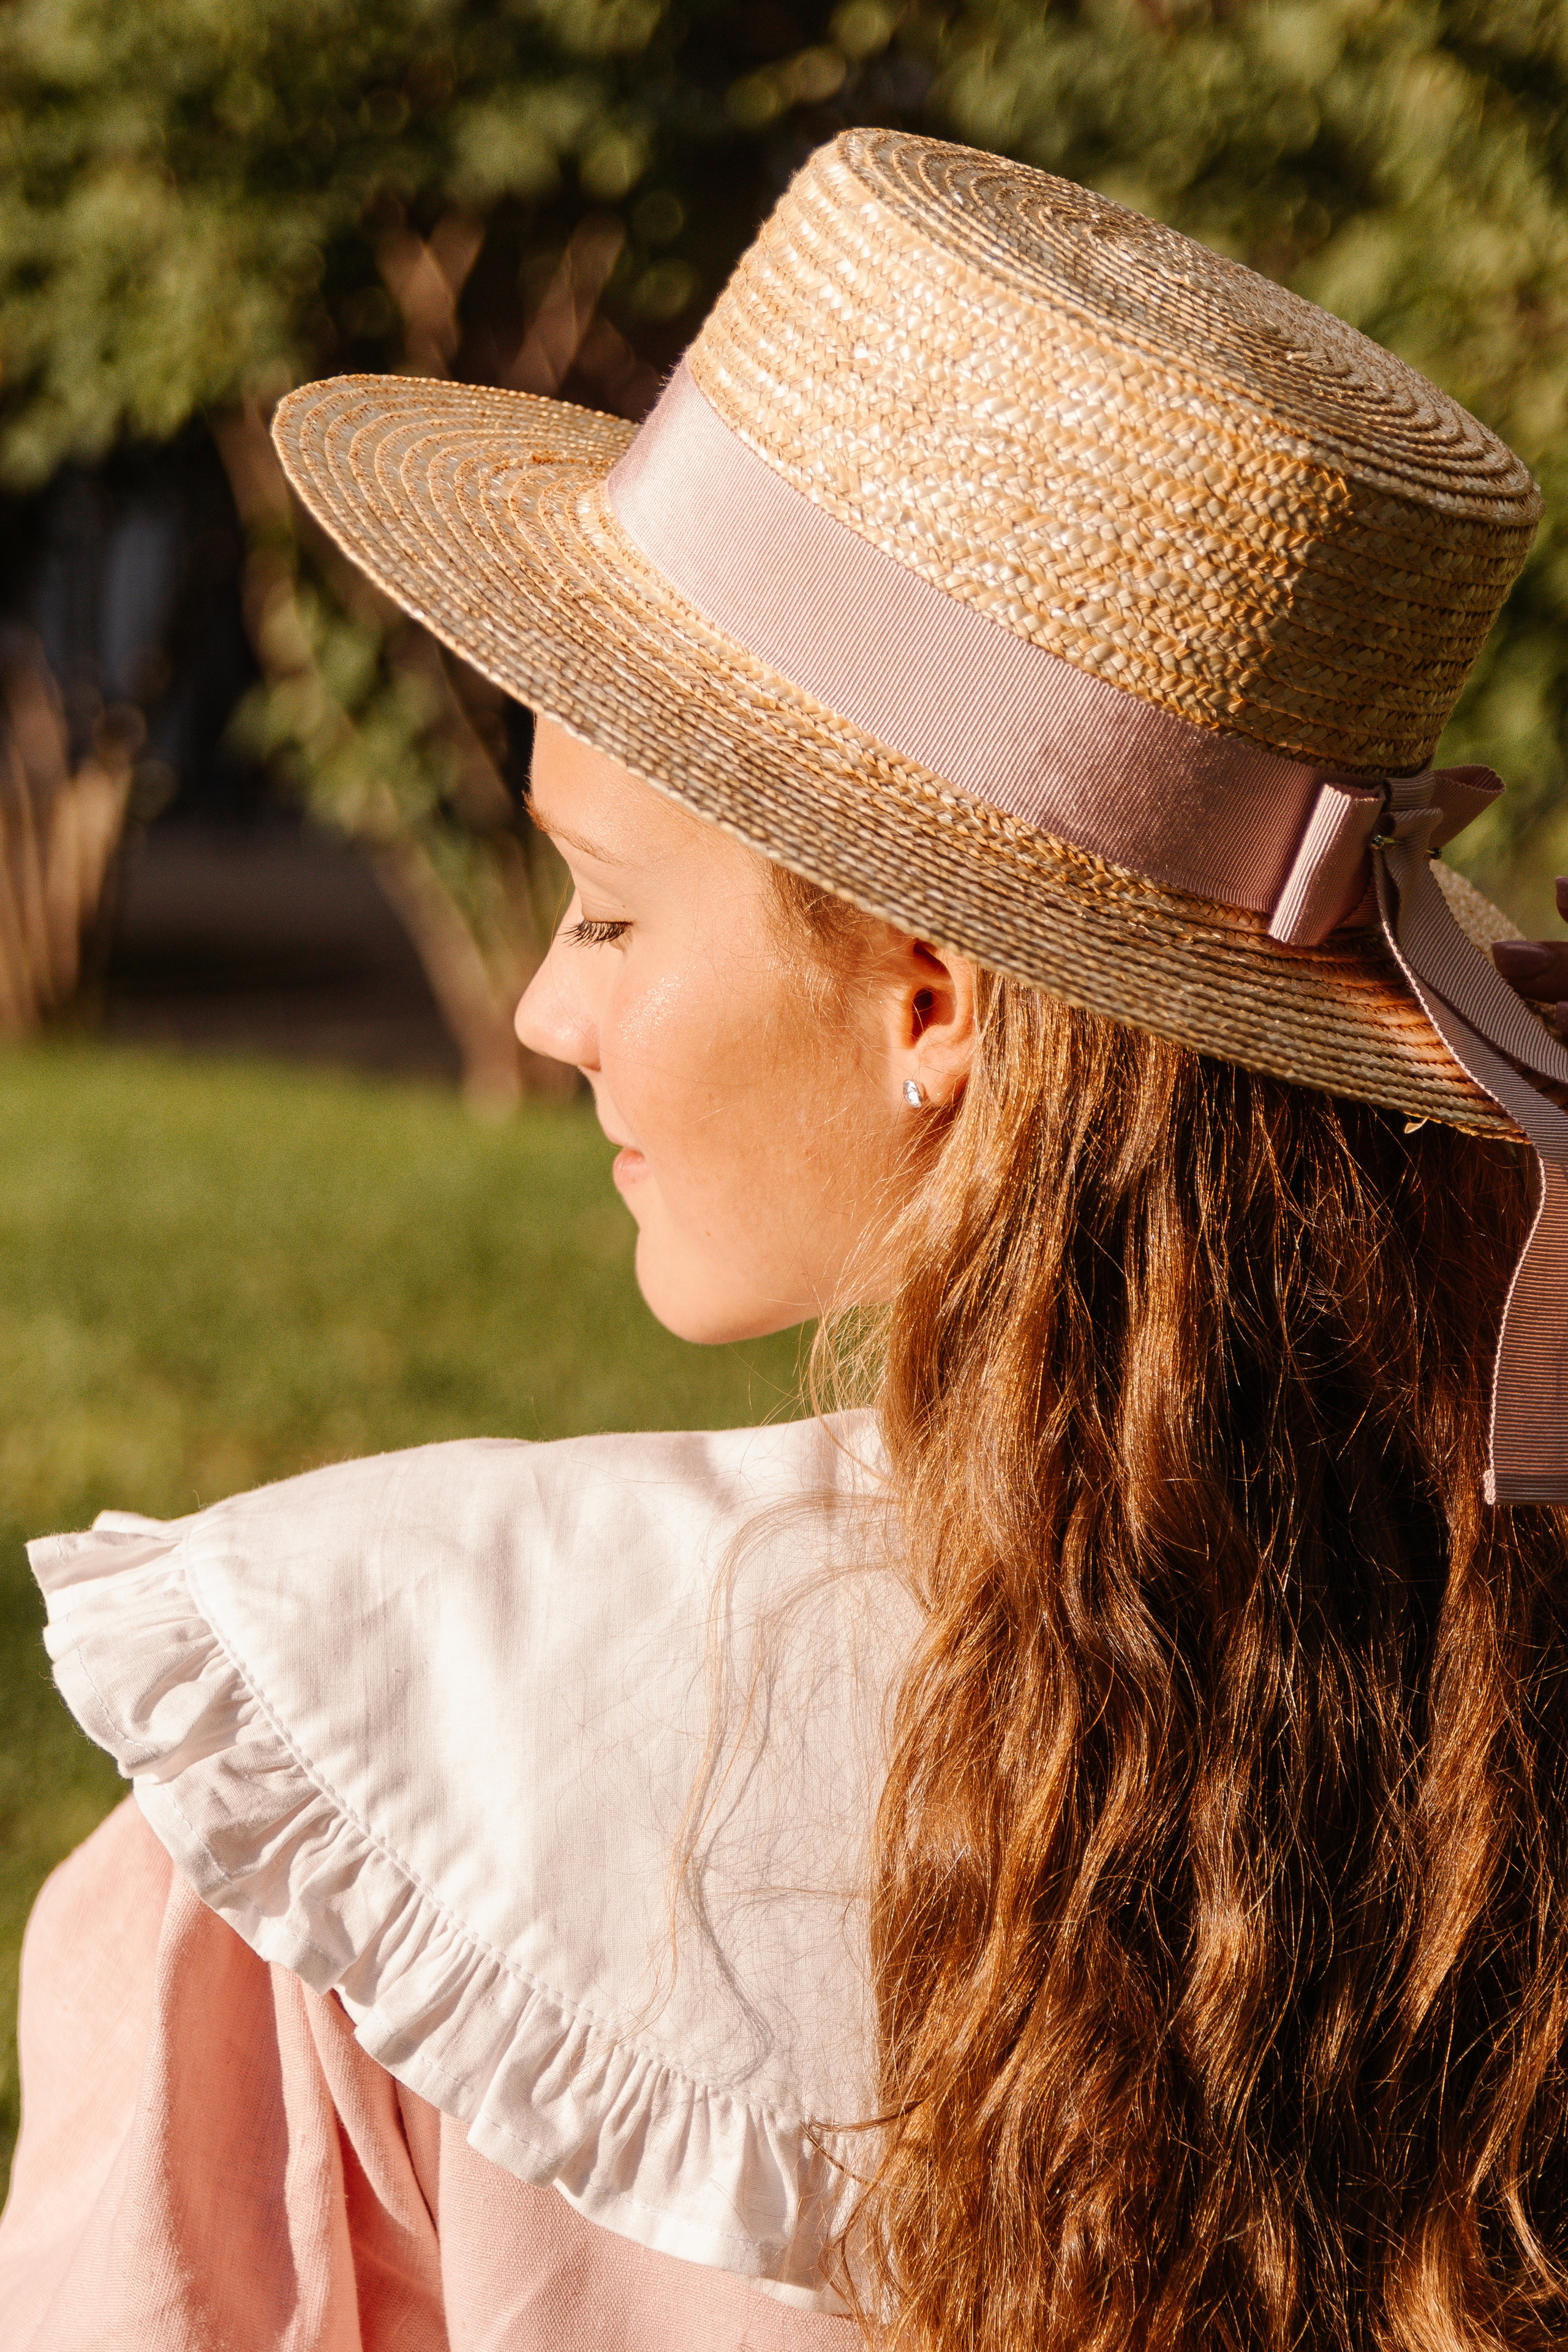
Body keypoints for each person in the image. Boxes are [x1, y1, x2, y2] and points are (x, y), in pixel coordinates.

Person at [4, 126, 1568, 2351]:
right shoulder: (1491, 1718)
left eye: (608, 911)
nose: (545, 1013)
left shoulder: (359, 1795)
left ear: (931, 1003)